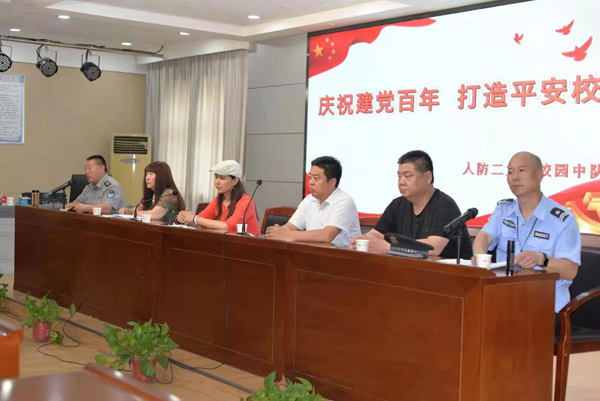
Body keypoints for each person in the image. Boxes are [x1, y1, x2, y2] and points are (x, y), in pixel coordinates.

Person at [472, 151, 580, 317]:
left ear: (540, 174)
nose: (514, 177)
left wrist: (541, 259)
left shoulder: (562, 219)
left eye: (521, 170)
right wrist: (479, 257)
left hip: (544, 307)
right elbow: (484, 237)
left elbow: (570, 270)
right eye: (510, 172)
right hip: (503, 300)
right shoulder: (503, 211)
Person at [350, 150, 473, 258]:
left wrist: (389, 247)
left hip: (453, 272)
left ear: (427, 177)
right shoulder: (397, 205)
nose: (401, 182)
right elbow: (376, 234)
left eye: (407, 176)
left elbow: (433, 248)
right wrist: (362, 239)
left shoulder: (445, 206)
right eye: (399, 176)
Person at [265, 156, 360, 247]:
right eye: (310, 177)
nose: (311, 182)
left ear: (332, 182)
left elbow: (326, 235)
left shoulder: (344, 201)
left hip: (341, 256)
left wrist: (287, 235)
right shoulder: (309, 200)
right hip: (313, 254)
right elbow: (290, 226)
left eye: (316, 178)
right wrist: (278, 231)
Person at [176, 160, 260, 235]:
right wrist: (185, 217)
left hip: (248, 245)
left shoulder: (246, 201)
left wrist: (194, 218)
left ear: (235, 181)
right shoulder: (218, 200)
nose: (217, 182)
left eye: (222, 178)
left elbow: (226, 226)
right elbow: (200, 220)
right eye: (216, 177)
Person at [118, 161, 185, 224]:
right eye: (146, 174)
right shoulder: (152, 195)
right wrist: (127, 211)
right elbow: (137, 209)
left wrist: (135, 213)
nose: (147, 178)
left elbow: (154, 214)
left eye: (151, 174)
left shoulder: (169, 193)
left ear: (161, 177)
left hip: (170, 231)